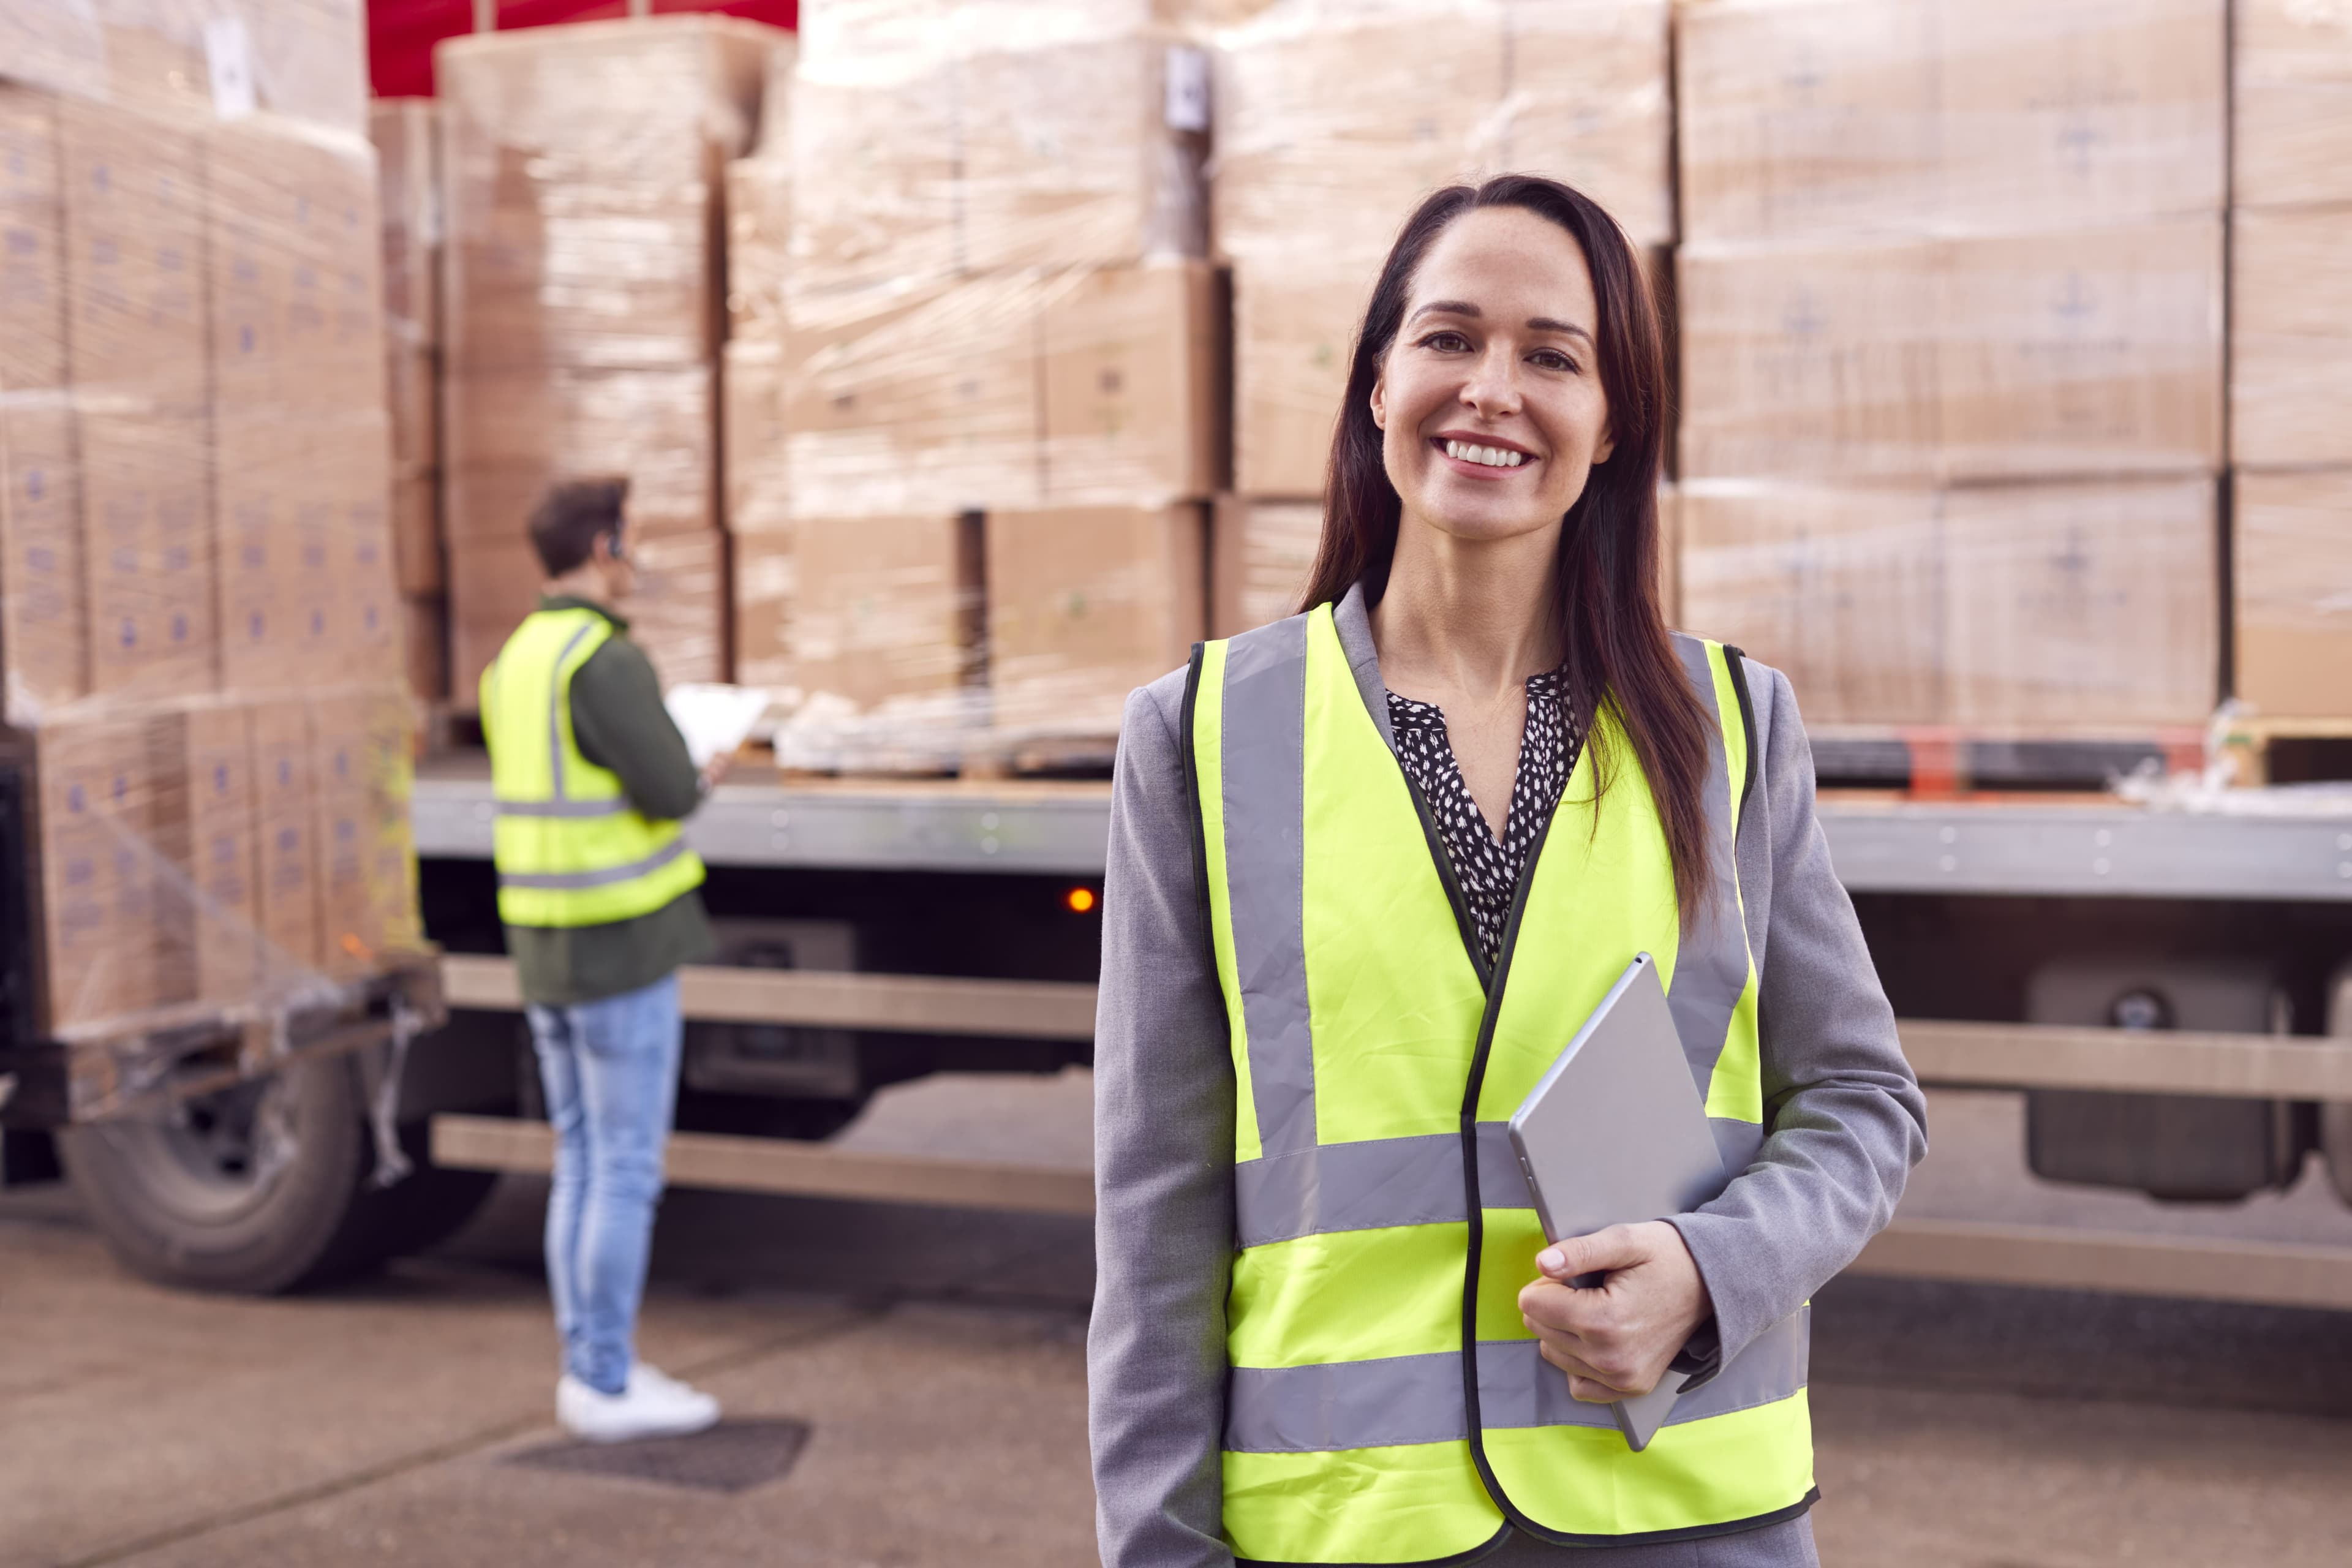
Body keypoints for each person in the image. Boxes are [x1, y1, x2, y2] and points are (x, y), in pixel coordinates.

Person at [1088, 176, 1929, 1566]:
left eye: (1553, 355)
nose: (1492, 389)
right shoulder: (1205, 732)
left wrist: (1716, 1272)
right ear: (1375, 383)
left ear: (1612, 427)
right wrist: (1160, 1546)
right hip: (1351, 1524)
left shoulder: (1729, 724)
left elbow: (1861, 1099)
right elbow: (1156, 1207)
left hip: (1683, 1514)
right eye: (1448, 338)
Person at [483, 476, 727, 1444]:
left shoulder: (518, 658)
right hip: (619, 945)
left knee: (582, 1160)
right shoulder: (604, 660)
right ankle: (607, 1382)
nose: (635, 559)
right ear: (600, 546)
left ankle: (592, 1368)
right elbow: (666, 788)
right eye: (629, 539)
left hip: (544, 945)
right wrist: (700, 769)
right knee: (624, 1167)